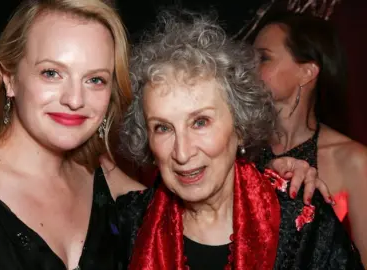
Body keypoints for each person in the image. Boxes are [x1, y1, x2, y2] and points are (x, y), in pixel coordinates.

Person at [0, 0, 337, 268]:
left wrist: (275, 173)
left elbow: (193, 192)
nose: (75, 99)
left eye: (96, 79)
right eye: (51, 72)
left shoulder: (100, 177)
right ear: (8, 78)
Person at [116, 11, 363, 269]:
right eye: (163, 128)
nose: (182, 152)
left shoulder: (301, 225)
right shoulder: (128, 226)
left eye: (200, 122)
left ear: (240, 125)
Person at [253, 12, 367, 263]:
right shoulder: (239, 149)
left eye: (263, 57)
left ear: (307, 72)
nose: (249, 67)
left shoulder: (354, 160)